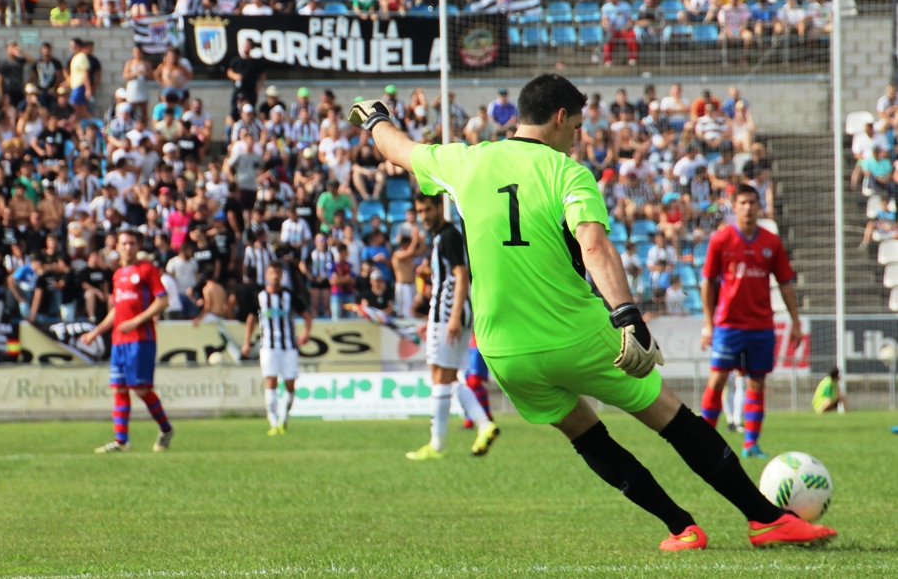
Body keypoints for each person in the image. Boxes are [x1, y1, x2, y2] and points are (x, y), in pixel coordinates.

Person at [350, 73, 835, 549]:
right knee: (673, 418)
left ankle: (681, 527)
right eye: (578, 126)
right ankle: (766, 519)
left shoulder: (465, 161)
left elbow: (399, 150)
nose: (578, 137)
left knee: (587, 437)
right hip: (575, 333)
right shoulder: (566, 172)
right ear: (560, 118)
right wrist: (628, 315)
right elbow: (595, 244)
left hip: (504, 350)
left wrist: (375, 119)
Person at [700, 184, 800, 458]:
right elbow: (707, 283)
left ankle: (750, 444)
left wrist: (796, 322)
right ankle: (705, 442)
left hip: (761, 326)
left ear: (759, 206)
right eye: (742, 202)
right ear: (734, 207)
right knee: (717, 379)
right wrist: (708, 324)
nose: (747, 207)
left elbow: (785, 284)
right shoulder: (720, 240)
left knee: (757, 382)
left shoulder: (771, 242)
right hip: (728, 324)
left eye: (752, 202)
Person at [403, 193, 498, 460]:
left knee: (439, 377)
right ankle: (484, 424)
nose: (424, 216)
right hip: (452, 313)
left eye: (428, 210)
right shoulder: (443, 237)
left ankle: (437, 444)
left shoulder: (447, 236)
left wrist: (453, 315)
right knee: (450, 376)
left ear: (438, 208)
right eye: (420, 211)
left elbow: (461, 274)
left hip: (447, 313)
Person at [79, 230, 174, 454]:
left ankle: (166, 429)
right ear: (118, 247)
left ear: (137, 246)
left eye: (132, 243)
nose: (128, 247)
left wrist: (137, 321)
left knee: (140, 389)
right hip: (119, 341)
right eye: (124, 243)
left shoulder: (147, 270)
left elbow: (162, 302)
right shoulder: (117, 275)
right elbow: (117, 311)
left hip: (141, 339)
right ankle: (121, 440)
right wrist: (96, 332)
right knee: (119, 388)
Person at [241, 260, 311, 436]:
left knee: (290, 384)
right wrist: (246, 341)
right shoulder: (260, 296)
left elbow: (307, 316)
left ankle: (283, 418)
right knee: (270, 381)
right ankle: (272, 423)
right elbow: (251, 319)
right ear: (266, 275)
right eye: (271, 272)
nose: (275, 275)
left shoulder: (290, 295)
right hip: (268, 347)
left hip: (289, 346)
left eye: (278, 272)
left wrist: (305, 333)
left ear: (282, 275)